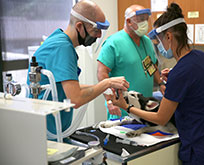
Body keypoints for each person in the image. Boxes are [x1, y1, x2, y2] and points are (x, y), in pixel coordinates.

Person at [111, 3, 204, 165]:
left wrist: (127, 107)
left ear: (168, 36)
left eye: (159, 41)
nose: (159, 46)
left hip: (202, 153)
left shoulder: (181, 72)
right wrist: (174, 81)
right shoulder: (202, 58)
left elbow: (161, 118)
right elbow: (194, 92)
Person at [27, 0, 129, 137]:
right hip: (47, 133)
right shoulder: (63, 48)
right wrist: (107, 82)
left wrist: (104, 87)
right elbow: (76, 99)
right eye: (96, 30)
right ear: (79, 26)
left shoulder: (58, 39)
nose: (99, 35)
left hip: (53, 129)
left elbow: (69, 87)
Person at [97, 5, 165, 120]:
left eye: (146, 19)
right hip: (122, 110)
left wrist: (160, 83)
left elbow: (151, 66)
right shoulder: (113, 43)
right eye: (141, 19)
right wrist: (109, 100)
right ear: (128, 21)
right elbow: (102, 73)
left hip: (145, 109)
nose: (145, 23)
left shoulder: (147, 41)